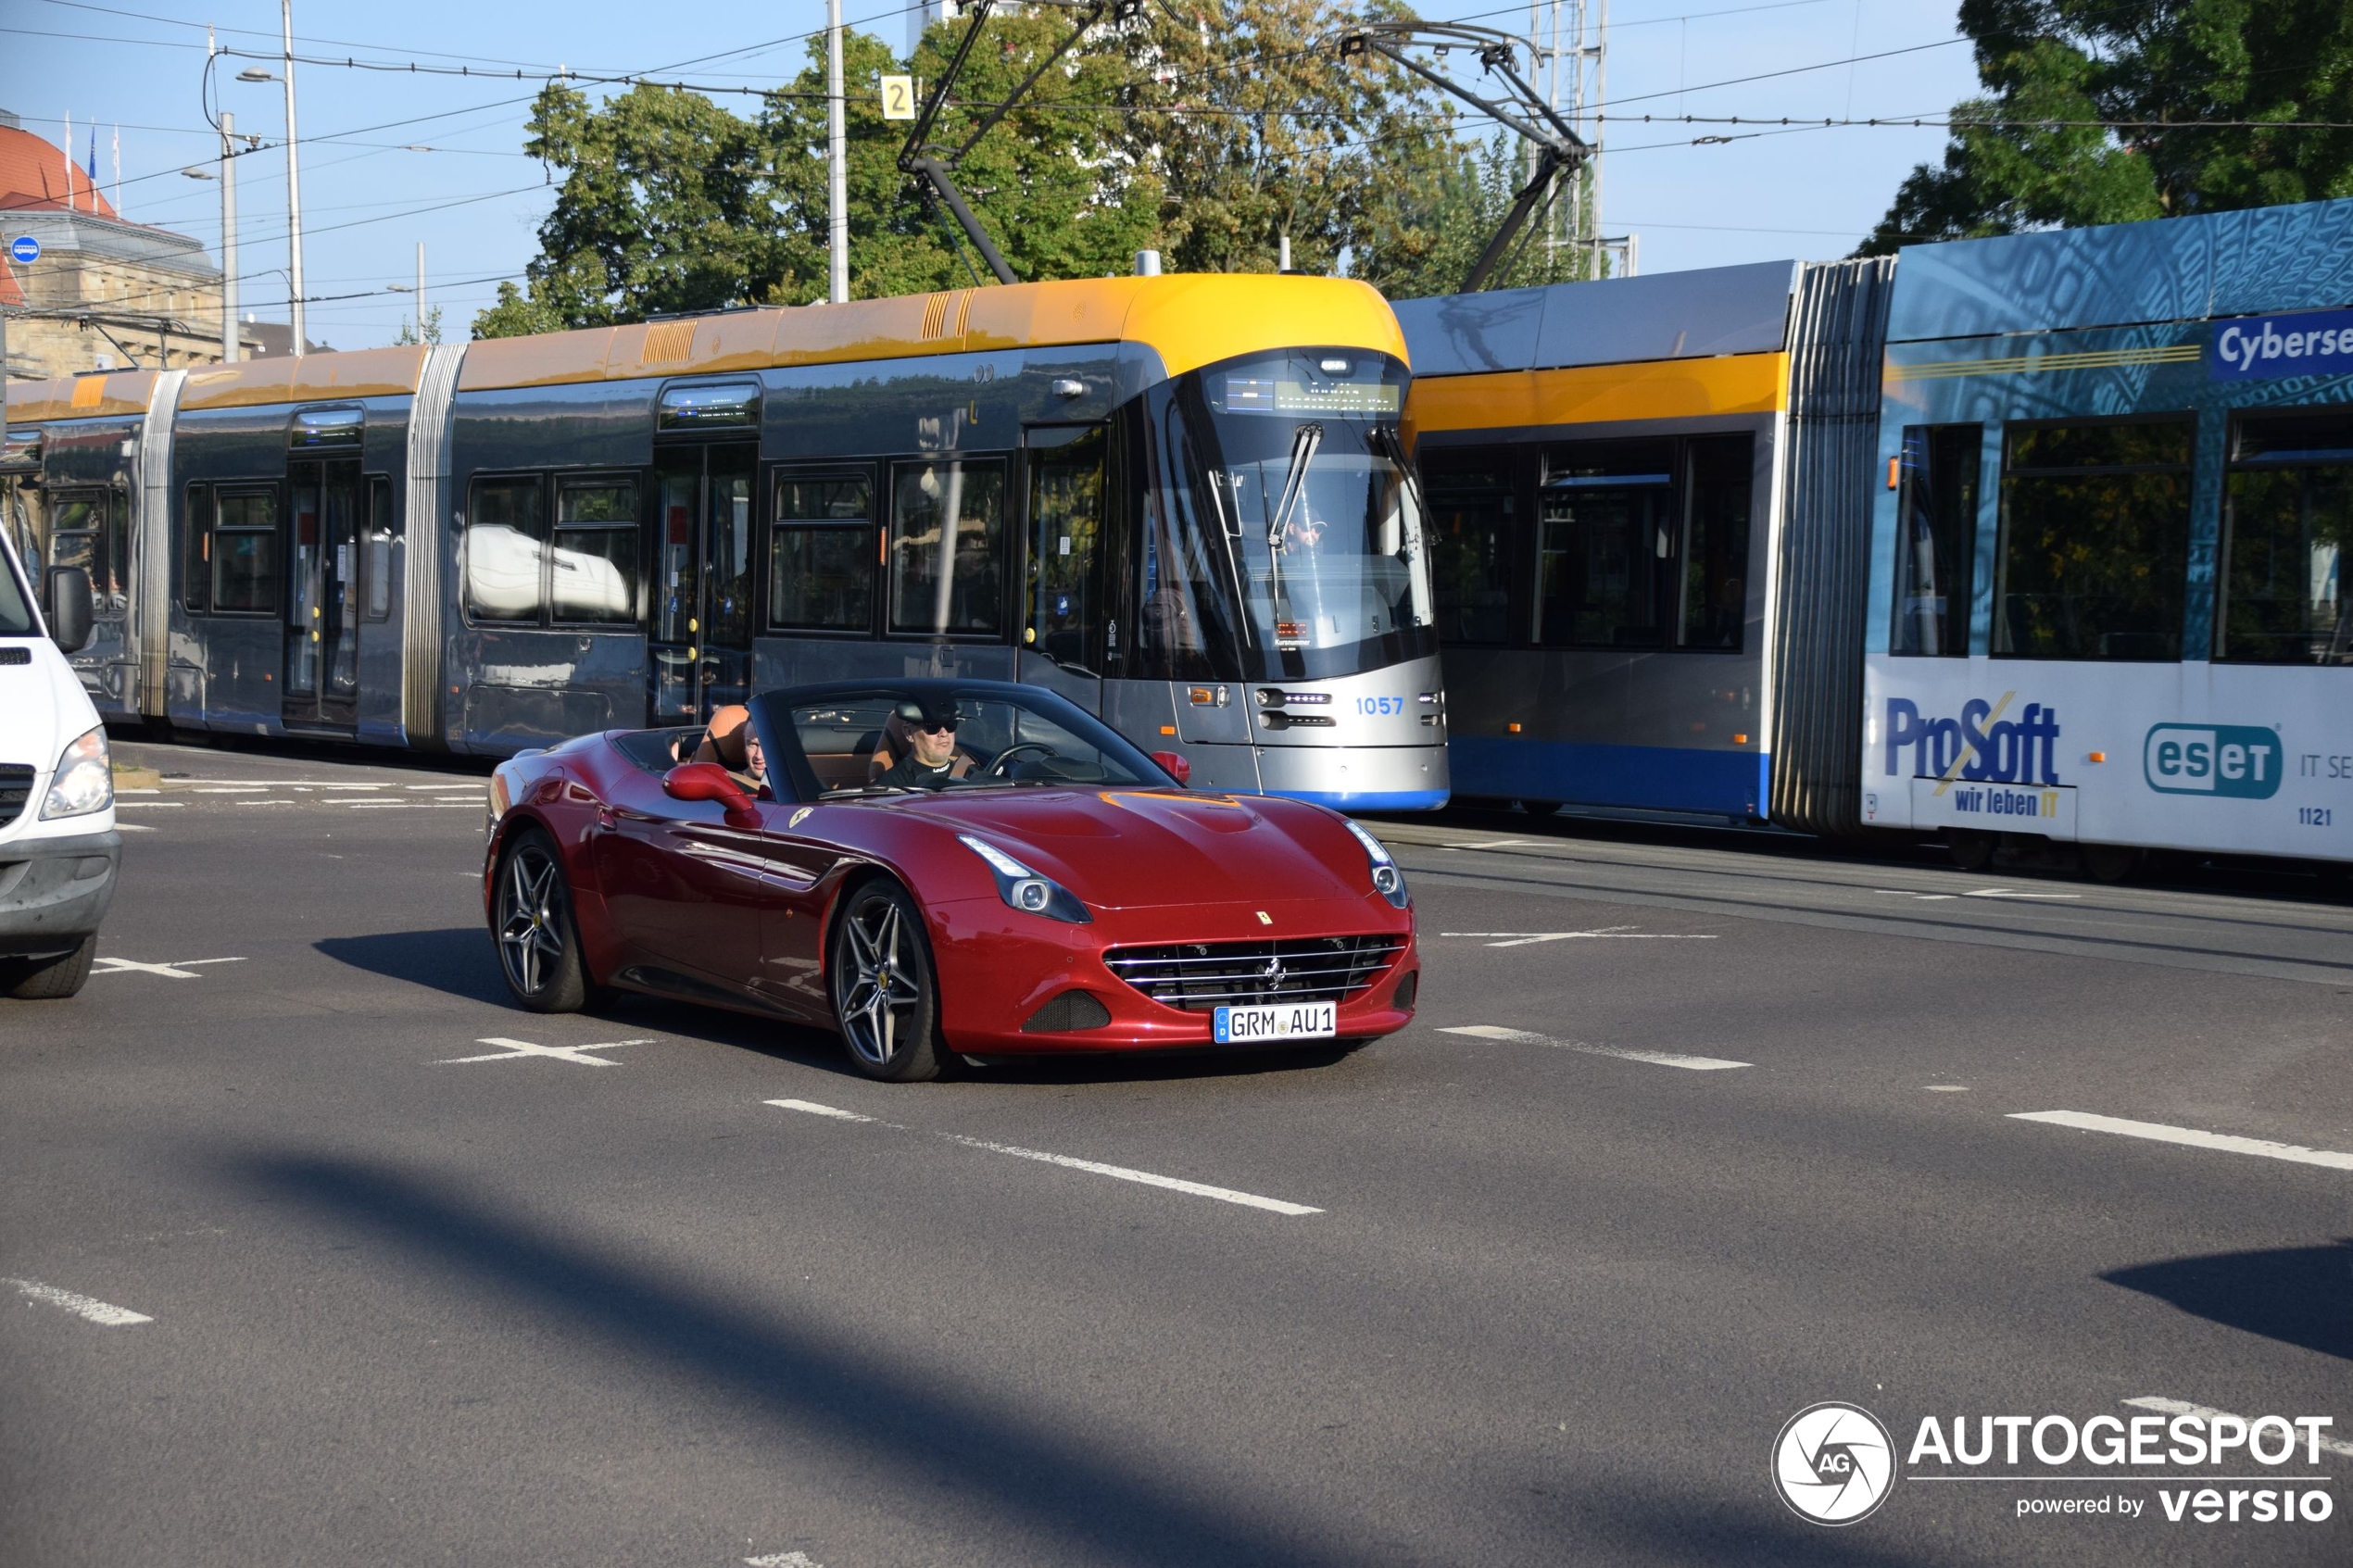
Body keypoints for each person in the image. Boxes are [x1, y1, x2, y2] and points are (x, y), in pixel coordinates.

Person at [872, 697, 974, 789]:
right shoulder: (893, 784)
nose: (944, 733)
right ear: (909, 733)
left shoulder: (972, 774)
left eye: (950, 725)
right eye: (932, 727)